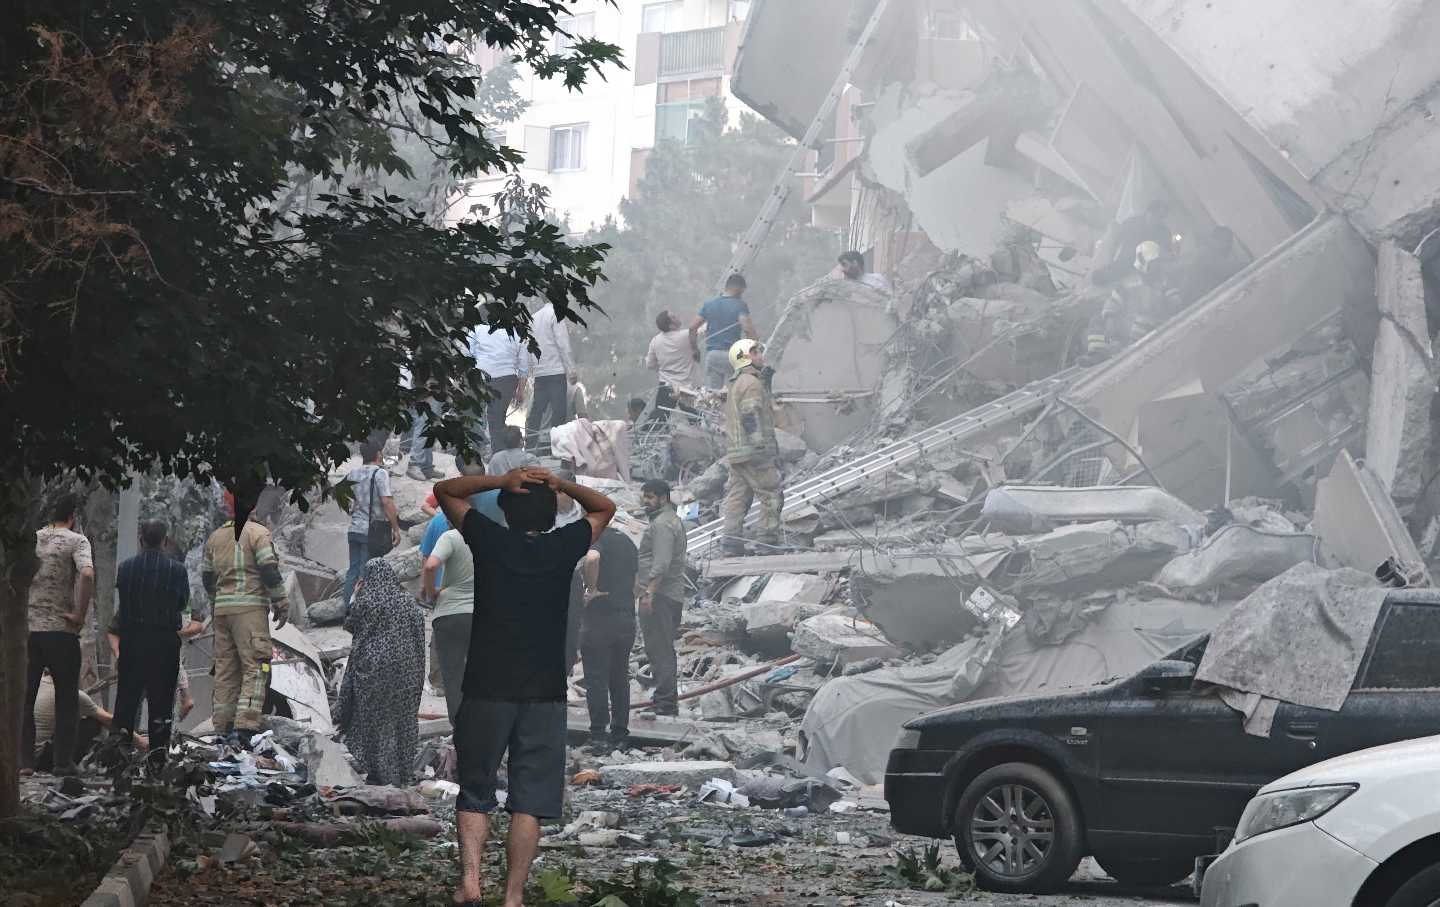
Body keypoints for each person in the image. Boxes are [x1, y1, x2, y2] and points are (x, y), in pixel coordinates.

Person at [434, 466, 616, 907]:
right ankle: (513, 897)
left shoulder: (489, 539)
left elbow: (445, 491)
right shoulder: (564, 545)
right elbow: (604, 507)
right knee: (528, 800)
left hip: (486, 685)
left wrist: (500, 479)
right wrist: (562, 484)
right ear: (554, 514)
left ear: (506, 510)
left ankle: (471, 884)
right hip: (545, 691)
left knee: (475, 790)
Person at [111, 520, 203, 762]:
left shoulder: (125, 568)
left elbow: (124, 602)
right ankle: (158, 760)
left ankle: (118, 759)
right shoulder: (177, 570)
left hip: (132, 642)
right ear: (164, 541)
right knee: (161, 704)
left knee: (126, 702)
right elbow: (182, 603)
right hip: (164, 644)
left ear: (141, 539)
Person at [202, 492, 289, 742]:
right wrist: (281, 601)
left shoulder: (215, 537)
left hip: (222, 611)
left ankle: (222, 726)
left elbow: (207, 577)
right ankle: (245, 727)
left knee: (225, 669)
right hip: (249, 610)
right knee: (257, 665)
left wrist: (215, 602)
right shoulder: (257, 533)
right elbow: (268, 569)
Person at [21, 493, 95, 776]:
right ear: (73, 517)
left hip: (29, 630)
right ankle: (62, 764)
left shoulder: (33, 538)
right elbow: (87, 574)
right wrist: (79, 615)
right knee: (66, 699)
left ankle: (24, 763)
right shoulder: (77, 540)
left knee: (26, 698)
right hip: (61, 631)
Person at [336, 558, 426, 785]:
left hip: (373, 672)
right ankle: (400, 773)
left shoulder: (366, 601)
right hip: (408, 672)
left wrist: (355, 595)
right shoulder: (409, 602)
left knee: (375, 721)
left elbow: (349, 624)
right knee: (401, 719)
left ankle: (379, 772)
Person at [721, 339, 782, 555]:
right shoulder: (751, 383)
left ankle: (730, 544)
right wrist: (760, 446)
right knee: (771, 494)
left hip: (737, 453)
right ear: (744, 357)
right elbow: (750, 413)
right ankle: (767, 542)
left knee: (738, 497)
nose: (760, 356)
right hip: (754, 452)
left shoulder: (737, 383)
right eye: (755, 352)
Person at [580, 525, 638, 749]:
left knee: (596, 678)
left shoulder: (597, 537)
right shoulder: (626, 540)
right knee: (619, 678)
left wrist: (592, 589)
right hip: (625, 617)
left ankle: (598, 736)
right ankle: (620, 734)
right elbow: (637, 582)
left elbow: (592, 559)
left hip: (600, 618)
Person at [635, 479, 687, 717]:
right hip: (668, 595)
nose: (645, 501)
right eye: (644, 496)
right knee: (661, 648)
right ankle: (664, 699)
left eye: (650, 497)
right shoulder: (669, 520)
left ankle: (665, 703)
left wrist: (649, 593)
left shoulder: (663, 525)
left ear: (663, 498)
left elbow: (662, 562)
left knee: (660, 649)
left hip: (661, 596)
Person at [421, 521, 475, 725]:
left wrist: (430, 592)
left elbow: (431, 565)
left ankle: (461, 727)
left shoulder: (451, 537)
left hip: (449, 614)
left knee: (452, 676)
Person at [31, 674, 142, 772]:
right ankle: (66, 764)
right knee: (92, 723)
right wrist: (141, 742)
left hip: (26, 758)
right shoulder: (73, 694)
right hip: (45, 759)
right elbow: (109, 720)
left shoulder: (34, 686)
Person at [343, 433, 402, 609]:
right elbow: (387, 501)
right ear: (379, 453)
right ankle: (364, 612)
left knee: (353, 571)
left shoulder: (352, 473)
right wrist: (396, 528)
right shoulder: (380, 473)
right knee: (366, 573)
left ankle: (349, 610)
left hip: (353, 529)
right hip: (370, 531)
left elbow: (344, 500)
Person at [691, 273, 757, 389]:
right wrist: (754, 350)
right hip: (732, 356)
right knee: (738, 392)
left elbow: (692, 328)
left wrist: (695, 350)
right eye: (742, 292)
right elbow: (747, 329)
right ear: (738, 288)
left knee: (713, 397)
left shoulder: (709, 304)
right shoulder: (740, 305)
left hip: (712, 355)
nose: (742, 295)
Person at [526, 302, 575, 452]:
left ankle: (529, 446)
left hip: (540, 372)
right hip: (556, 371)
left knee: (536, 411)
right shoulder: (556, 314)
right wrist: (571, 369)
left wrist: (531, 370)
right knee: (558, 412)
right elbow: (562, 343)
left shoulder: (533, 318)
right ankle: (557, 449)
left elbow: (529, 345)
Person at [471, 324, 530, 450]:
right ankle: (498, 453)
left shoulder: (477, 329)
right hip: (506, 379)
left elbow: (467, 352)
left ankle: (481, 448)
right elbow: (523, 365)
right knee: (497, 418)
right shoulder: (518, 331)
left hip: (480, 376)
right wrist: (520, 390)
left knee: (472, 414)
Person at [1093, 199, 1172, 285]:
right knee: (1106, 276)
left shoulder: (1164, 233)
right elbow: (1115, 241)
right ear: (1148, 211)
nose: (1158, 220)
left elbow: (1166, 254)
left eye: (1162, 217)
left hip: (1147, 271)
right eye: (1157, 215)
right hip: (1124, 263)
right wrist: (1110, 257)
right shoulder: (1131, 223)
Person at [646, 310, 700, 420]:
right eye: (674, 317)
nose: (678, 316)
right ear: (670, 325)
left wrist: (662, 369)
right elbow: (702, 328)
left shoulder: (655, 341)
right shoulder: (686, 335)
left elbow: (650, 364)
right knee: (696, 420)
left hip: (666, 387)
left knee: (659, 421)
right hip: (685, 388)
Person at [1178, 225, 1244, 304]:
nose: (1228, 246)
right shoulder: (1206, 254)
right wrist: (1249, 265)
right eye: (1226, 242)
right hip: (1199, 306)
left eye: (1229, 242)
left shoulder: (1207, 253)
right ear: (1214, 240)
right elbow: (1228, 269)